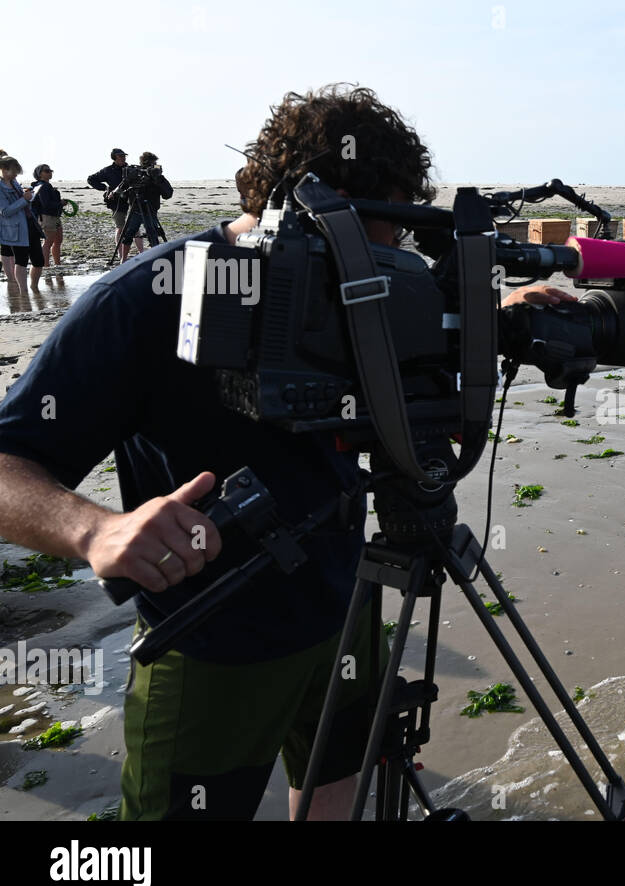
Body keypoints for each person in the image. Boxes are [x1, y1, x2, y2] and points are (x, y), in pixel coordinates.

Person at [0, 84, 577, 820]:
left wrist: (493, 318)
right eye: (389, 235)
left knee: (341, 790)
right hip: (215, 638)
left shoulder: (365, 283)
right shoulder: (148, 296)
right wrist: (95, 529)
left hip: (349, 601)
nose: (396, 259)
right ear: (323, 205)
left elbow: (402, 351)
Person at [110, 151, 172, 254]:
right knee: (129, 234)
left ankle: (150, 256)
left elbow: (168, 194)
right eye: (154, 163)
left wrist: (157, 179)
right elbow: (122, 188)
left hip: (149, 209)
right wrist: (114, 193)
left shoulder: (157, 177)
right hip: (136, 208)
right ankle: (124, 260)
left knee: (151, 233)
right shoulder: (135, 174)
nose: (155, 166)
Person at [87, 148, 142, 261]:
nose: (123, 158)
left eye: (124, 156)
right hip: (116, 203)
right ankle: (121, 254)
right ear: (114, 158)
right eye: (120, 156)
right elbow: (91, 179)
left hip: (132, 201)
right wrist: (105, 188)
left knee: (136, 228)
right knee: (120, 228)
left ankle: (141, 252)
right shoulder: (108, 170)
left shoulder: (131, 169)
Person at [0, 156, 44, 295]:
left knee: (38, 260)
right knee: (21, 261)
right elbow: (5, 212)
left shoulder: (14, 182)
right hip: (15, 229)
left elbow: (22, 202)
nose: (15, 175)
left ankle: (34, 288)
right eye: (14, 171)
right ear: (4, 169)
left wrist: (29, 196)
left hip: (30, 224)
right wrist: (24, 200)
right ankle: (23, 292)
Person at [29, 164, 63, 267]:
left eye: (50, 170)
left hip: (54, 216)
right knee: (48, 242)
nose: (50, 172)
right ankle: (46, 265)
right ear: (39, 174)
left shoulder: (47, 185)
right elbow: (46, 204)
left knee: (58, 240)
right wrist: (60, 203)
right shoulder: (43, 186)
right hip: (46, 217)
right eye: (47, 171)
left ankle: (57, 264)